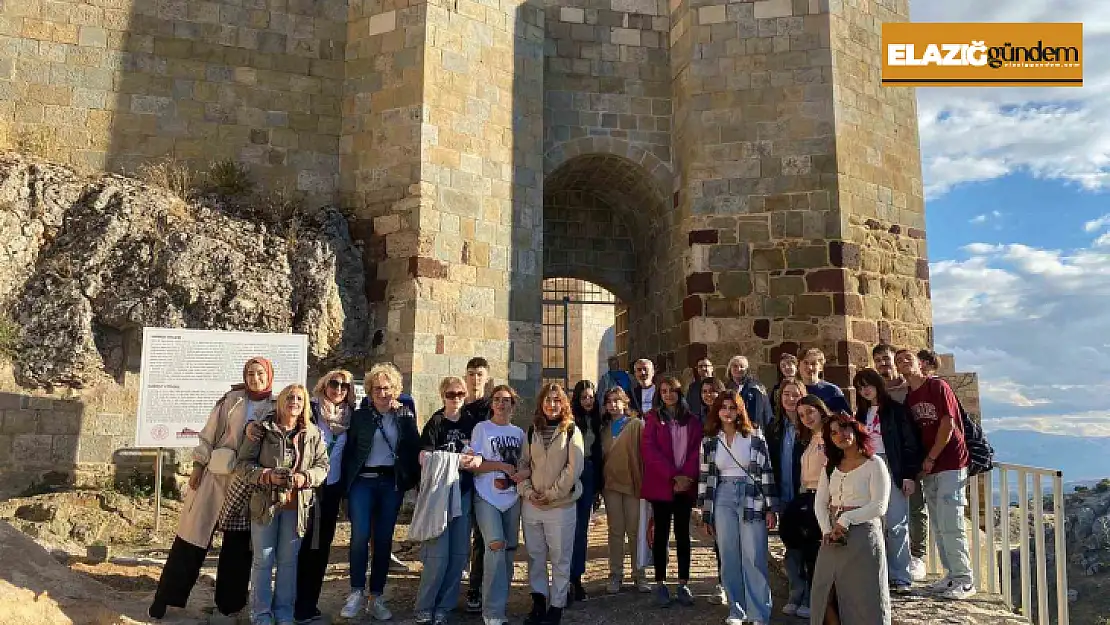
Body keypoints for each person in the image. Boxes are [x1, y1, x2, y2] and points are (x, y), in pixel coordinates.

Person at [148, 357, 274, 621]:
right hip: (216, 477)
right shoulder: (232, 400)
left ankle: (229, 606)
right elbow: (209, 433)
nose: (255, 378)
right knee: (191, 539)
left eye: (260, 373)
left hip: (247, 483)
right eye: (250, 373)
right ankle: (165, 597)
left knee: (237, 548)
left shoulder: (276, 406)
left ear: (269, 375)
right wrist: (197, 466)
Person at [236, 384, 330, 625]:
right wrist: (267, 475)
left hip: (296, 507)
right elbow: (242, 465)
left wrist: (305, 477)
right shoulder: (261, 431)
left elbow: (323, 466)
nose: (294, 402)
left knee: (288, 562)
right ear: (280, 402)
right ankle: (261, 615)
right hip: (265, 506)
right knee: (263, 560)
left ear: (305, 404)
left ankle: (284, 614)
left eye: (299, 398)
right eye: (290, 397)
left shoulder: (313, 433)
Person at [340, 363, 422, 620]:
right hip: (363, 481)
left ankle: (377, 595)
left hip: (390, 483)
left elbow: (413, 446)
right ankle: (356, 592)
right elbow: (350, 448)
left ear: (396, 389)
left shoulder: (404, 414)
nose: (382, 393)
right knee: (359, 536)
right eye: (377, 388)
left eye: (387, 388)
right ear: (370, 390)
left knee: (384, 540)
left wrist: (405, 419)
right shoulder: (361, 415)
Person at [896, 349, 975, 600]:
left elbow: (947, 423)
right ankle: (952, 574)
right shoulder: (910, 398)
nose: (903, 362)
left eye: (907, 358)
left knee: (952, 521)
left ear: (920, 363)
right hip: (930, 467)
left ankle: (965, 579)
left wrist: (931, 457)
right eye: (899, 360)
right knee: (939, 524)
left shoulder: (937, 386)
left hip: (950, 462)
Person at [695, 390, 778, 625]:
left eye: (733, 407)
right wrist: (705, 513)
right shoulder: (710, 441)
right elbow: (705, 477)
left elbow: (766, 473)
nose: (728, 412)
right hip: (723, 496)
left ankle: (758, 612)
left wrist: (771, 508)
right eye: (724, 407)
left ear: (740, 410)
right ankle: (736, 610)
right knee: (729, 555)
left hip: (752, 496)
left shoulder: (754, 436)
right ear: (717, 411)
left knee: (754, 555)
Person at [413, 376, 483, 625]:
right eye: (450, 394)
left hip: (462, 493)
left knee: (458, 553)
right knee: (437, 554)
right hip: (439, 495)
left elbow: (479, 454)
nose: (455, 399)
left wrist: (474, 461)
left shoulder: (472, 423)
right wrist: (455, 460)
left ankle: (445, 605)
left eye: (460, 394)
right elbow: (424, 456)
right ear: (442, 395)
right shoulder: (436, 422)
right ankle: (425, 605)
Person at [811, 413, 892, 625]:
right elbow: (820, 503)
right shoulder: (830, 467)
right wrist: (827, 530)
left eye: (845, 428)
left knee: (863, 598)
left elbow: (880, 505)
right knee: (824, 595)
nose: (841, 435)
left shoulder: (875, 464)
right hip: (832, 535)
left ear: (855, 429)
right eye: (834, 433)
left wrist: (846, 519)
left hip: (863, 535)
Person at [295, 369, 358, 624]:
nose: (339, 389)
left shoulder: (350, 418)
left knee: (320, 548)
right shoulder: (308, 411)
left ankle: (308, 604)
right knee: (297, 546)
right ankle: (290, 601)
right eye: (334, 383)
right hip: (304, 488)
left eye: (345, 386)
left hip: (330, 490)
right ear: (324, 384)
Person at [519, 383, 585, 625]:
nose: (552, 404)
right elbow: (523, 465)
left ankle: (556, 606)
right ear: (541, 403)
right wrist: (527, 491)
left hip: (560, 505)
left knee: (560, 557)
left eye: (557, 400)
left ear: (564, 404)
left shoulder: (571, 431)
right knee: (536, 556)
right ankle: (538, 602)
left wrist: (552, 494)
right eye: (548, 400)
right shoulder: (531, 431)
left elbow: (573, 469)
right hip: (533, 505)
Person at [853, 367, 923, 595]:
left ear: (877, 385)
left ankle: (901, 576)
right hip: (869, 467)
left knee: (896, 523)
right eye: (860, 387)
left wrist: (908, 475)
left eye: (868, 385)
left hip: (892, 466)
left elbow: (909, 444)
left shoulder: (895, 410)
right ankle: (879, 575)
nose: (865, 391)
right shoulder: (860, 415)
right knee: (873, 525)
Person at [640, 376, 703, 608]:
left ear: (679, 393)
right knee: (661, 535)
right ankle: (660, 582)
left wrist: (686, 477)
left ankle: (683, 582)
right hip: (662, 485)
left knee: (683, 535)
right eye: (664, 391)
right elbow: (649, 450)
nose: (668, 395)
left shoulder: (693, 421)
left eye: (672, 390)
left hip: (684, 486)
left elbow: (698, 450)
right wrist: (672, 475)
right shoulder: (653, 419)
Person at [470, 385, 528, 625]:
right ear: (491, 404)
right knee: (494, 546)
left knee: (508, 551)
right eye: (497, 400)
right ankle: (491, 612)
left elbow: (526, 464)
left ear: (513, 405)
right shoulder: (482, 429)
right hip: (487, 496)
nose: (501, 404)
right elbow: (474, 464)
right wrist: (501, 466)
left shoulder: (520, 433)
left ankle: (499, 605)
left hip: (513, 497)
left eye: (506, 400)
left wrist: (522, 473)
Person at [873, 343, 925, 580]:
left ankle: (917, 556)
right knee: (891, 512)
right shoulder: (876, 392)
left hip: (914, 452)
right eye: (879, 360)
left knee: (915, 506)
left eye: (886, 358)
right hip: (891, 456)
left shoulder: (909, 388)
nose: (884, 363)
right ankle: (892, 562)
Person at [766, 378, 812, 618]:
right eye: (786, 395)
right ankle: (796, 591)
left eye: (795, 395)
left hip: (805, 496)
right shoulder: (774, 427)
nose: (790, 399)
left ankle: (810, 596)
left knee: (809, 548)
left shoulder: (810, 427)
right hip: (784, 497)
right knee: (791, 547)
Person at [598, 387, 647, 594]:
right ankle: (616, 574)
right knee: (615, 531)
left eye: (617, 401)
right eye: (609, 401)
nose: (613, 405)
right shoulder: (604, 429)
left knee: (635, 531)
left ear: (625, 403)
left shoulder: (636, 425)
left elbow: (645, 454)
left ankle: (639, 574)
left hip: (633, 484)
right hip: (611, 485)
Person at [462, 357, 493, 614]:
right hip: (461, 480)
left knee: (481, 537)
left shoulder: (491, 407)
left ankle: (476, 586)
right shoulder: (458, 405)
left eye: (480, 374)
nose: (475, 379)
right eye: (471, 374)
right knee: (460, 534)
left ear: (487, 377)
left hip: (484, 479)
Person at [569, 380, 603, 604]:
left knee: (581, 530)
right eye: (584, 397)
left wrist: (598, 488)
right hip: (573, 472)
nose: (588, 401)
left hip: (590, 473)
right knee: (566, 529)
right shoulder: (570, 422)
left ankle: (576, 579)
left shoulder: (601, 420)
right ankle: (565, 579)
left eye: (591, 397)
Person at [724, 356, 773, 429]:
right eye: (735, 366)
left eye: (742, 366)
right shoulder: (727, 387)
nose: (738, 369)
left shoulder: (755, 388)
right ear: (730, 369)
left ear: (747, 370)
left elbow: (757, 415)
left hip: (752, 430)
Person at [798, 349, 850, 414]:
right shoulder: (793, 390)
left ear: (820, 367)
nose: (809, 367)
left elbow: (846, 419)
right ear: (799, 366)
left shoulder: (832, 391)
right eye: (805, 363)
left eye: (814, 364)